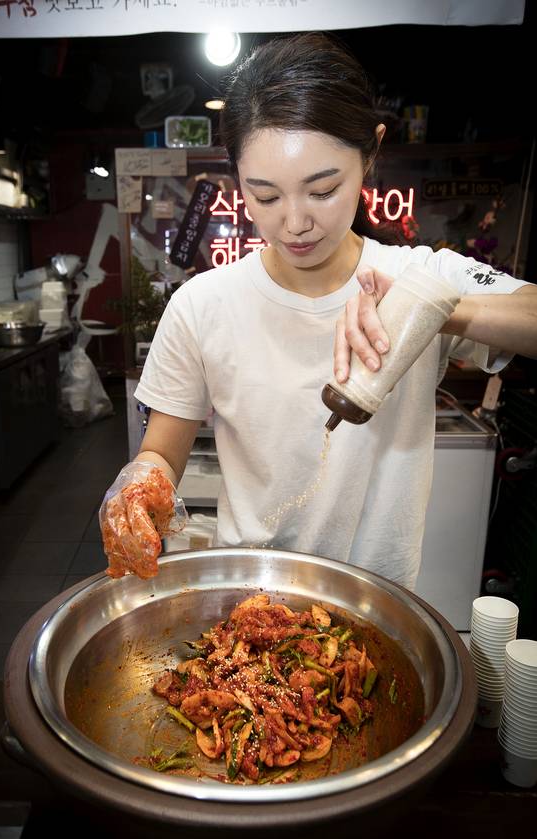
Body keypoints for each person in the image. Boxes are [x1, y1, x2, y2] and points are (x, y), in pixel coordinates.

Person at [100, 32, 537, 589]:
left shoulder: (421, 279)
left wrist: (433, 310)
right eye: (265, 195)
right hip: (249, 604)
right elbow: (162, 451)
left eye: (323, 190)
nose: (295, 223)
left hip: (376, 604)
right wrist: (139, 488)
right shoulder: (203, 305)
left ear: (371, 154)